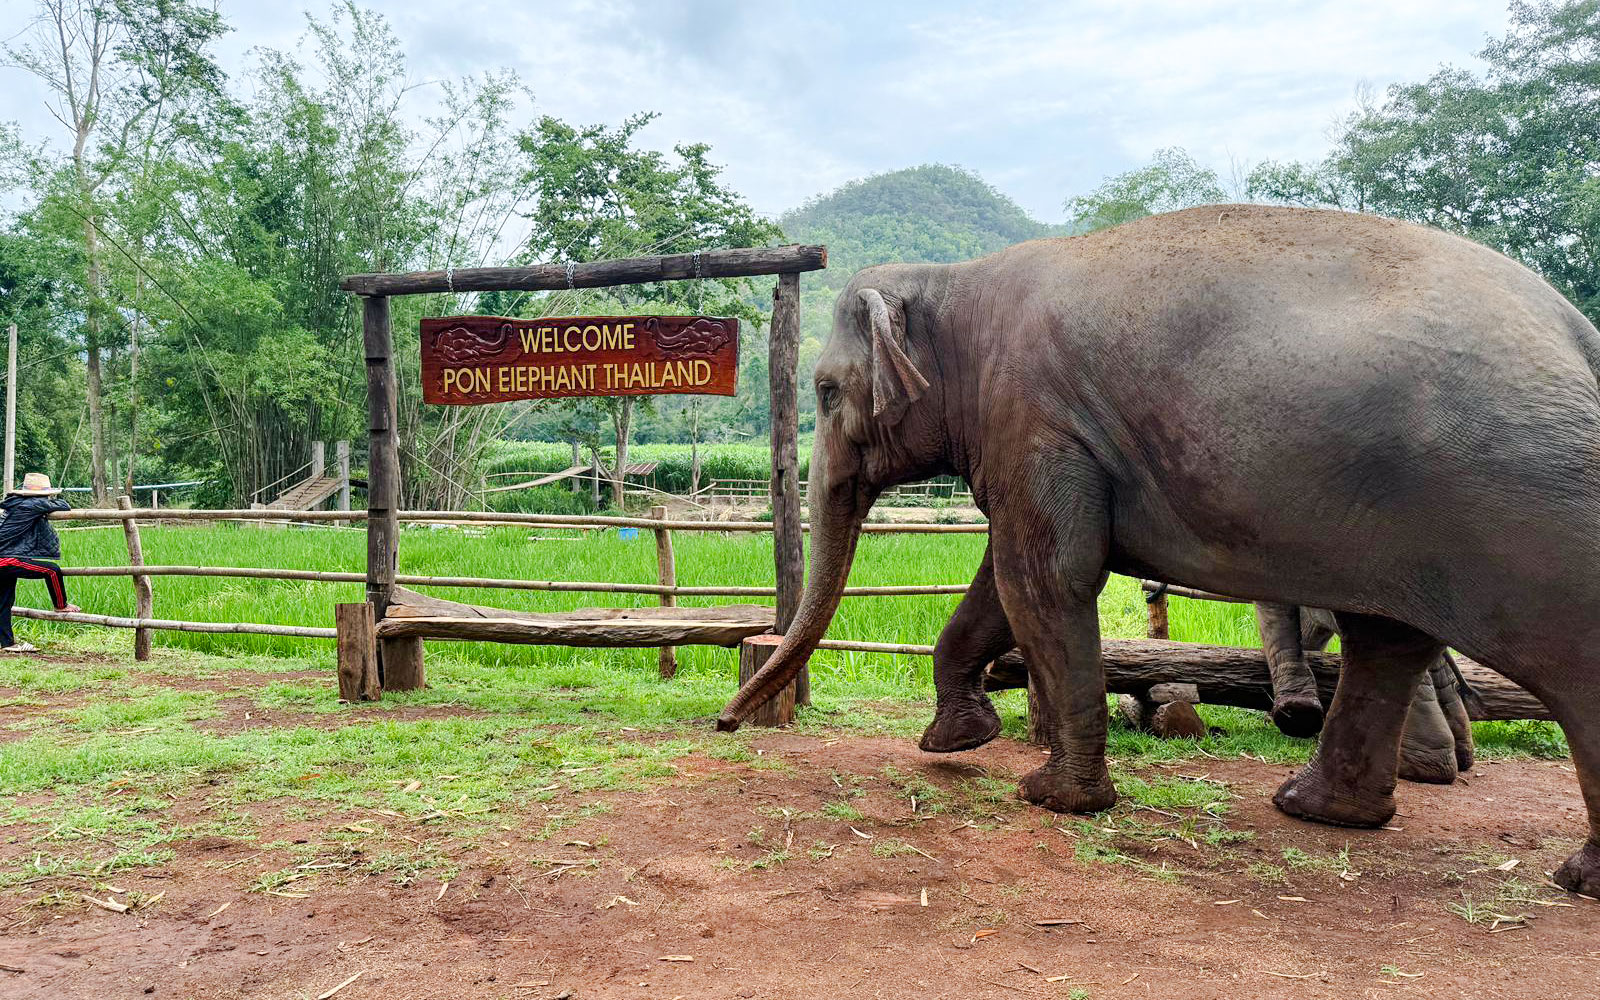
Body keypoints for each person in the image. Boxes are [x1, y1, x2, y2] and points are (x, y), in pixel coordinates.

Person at [0, 473, 80, 652]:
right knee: (52, 570)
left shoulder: (16, 503)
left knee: (4, 601)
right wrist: (47, 501)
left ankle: (7, 643)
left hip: (5, 557)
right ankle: (61, 605)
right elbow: (64, 505)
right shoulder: (33, 504)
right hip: (5, 559)